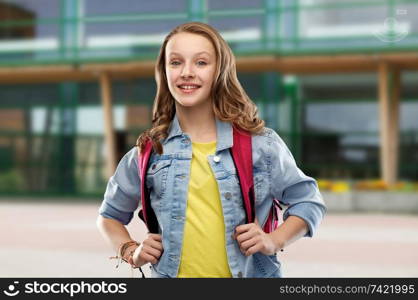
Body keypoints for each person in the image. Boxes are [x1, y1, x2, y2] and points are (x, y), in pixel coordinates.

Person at [96, 22, 326, 278]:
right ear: (164, 72)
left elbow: (308, 201)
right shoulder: (148, 152)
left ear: (220, 70)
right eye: (175, 62)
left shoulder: (261, 145)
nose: (187, 72)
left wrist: (275, 240)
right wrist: (130, 250)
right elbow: (109, 216)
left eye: (201, 63)